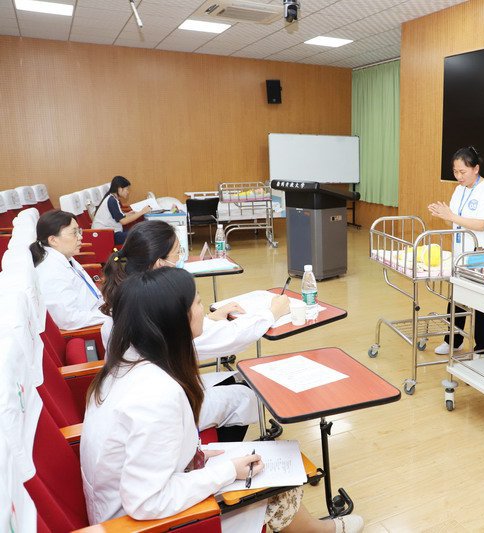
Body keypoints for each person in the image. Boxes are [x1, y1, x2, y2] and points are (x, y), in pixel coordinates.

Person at [81, 268, 363, 532]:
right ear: (177, 320)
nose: (204, 310)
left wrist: (195, 455)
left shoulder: (127, 363)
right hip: (143, 524)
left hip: (128, 502)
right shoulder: (157, 394)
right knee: (275, 484)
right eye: (198, 303)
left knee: (263, 462)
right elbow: (147, 503)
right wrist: (227, 471)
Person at [100, 220, 289, 440]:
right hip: (156, 410)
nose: (181, 258)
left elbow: (187, 332)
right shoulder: (153, 308)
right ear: (160, 263)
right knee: (247, 397)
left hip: (139, 397)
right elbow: (226, 338)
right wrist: (271, 313)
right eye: (177, 253)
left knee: (239, 379)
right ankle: (218, 448)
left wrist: (209, 318)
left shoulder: (128, 297)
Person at [428, 146, 484, 356]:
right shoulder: (459, 189)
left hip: (480, 255)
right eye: (455, 172)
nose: (458, 176)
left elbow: (481, 225)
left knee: (480, 302)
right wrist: (444, 215)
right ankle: (453, 341)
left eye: (462, 172)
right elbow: (454, 219)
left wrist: (451, 216)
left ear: (476, 169)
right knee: (456, 298)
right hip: (461, 253)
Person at [30, 209, 107, 330]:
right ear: (53, 240)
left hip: (97, 309)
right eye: (74, 233)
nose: (80, 237)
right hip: (92, 325)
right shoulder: (51, 271)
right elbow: (70, 319)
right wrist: (112, 316)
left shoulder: (64, 256)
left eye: (79, 231)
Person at [92, 175, 151, 244]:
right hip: (106, 235)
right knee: (139, 235)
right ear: (120, 189)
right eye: (127, 189)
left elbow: (117, 216)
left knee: (138, 231)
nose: (128, 192)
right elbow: (123, 221)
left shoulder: (112, 198)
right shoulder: (112, 201)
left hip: (110, 233)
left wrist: (128, 214)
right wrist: (141, 212)